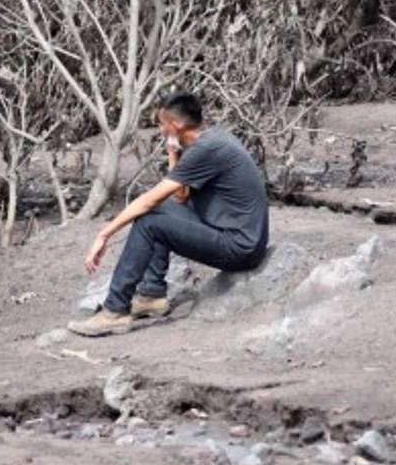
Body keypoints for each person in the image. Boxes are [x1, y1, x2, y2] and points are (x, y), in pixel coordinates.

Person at [69, 92, 269, 336]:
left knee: (149, 221)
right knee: (159, 211)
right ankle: (151, 294)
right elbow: (181, 196)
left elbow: (148, 201)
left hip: (240, 247)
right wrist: (173, 153)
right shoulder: (211, 139)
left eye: (161, 124)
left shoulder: (206, 149)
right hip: (241, 237)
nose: (160, 129)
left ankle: (115, 311)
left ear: (176, 126)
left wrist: (104, 234)